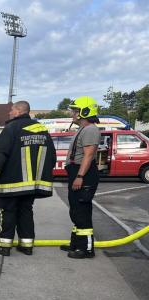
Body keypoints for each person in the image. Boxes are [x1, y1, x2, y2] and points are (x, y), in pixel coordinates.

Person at [0, 101, 56, 256]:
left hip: (11, 183)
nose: (9, 113)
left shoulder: (11, 128)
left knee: (6, 211)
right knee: (26, 212)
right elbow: (52, 157)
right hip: (32, 185)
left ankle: (3, 246)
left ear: (18, 111)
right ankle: (26, 246)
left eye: (11, 110)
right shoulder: (42, 130)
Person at [60, 96, 101, 258]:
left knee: (82, 211)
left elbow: (89, 155)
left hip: (84, 174)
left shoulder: (91, 129)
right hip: (78, 172)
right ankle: (76, 244)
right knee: (76, 211)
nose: (73, 114)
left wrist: (80, 176)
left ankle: (86, 249)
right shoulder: (84, 129)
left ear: (84, 112)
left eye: (75, 111)